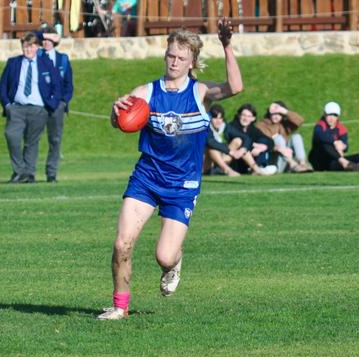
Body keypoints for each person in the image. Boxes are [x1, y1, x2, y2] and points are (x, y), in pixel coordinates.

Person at [98, 19, 243, 320]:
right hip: (147, 179)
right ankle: (120, 307)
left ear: (192, 62)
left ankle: (174, 264)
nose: (174, 62)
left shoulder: (200, 92)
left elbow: (235, 87)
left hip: (183, 186)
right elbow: (121, 123)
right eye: (170, 56)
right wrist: (115, 111)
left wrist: (227, 46)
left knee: (164, 255)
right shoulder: (147, 92)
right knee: (122, 243)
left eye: (181, 58)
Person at [0, 32, 62, 183]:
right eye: (25, 46)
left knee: (31, 142)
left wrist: (51, 103)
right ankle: (19, 170)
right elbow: (2, 86)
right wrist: (7, 105)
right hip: (17, 108)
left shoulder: (46, 63)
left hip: (39, 109)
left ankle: (29, 173)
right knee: (11, 135)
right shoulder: (13, 62)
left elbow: (56, 85)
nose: (28, 50)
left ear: (37, 47)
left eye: (32, 46)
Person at [37, 25, 74, 183]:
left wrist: (64, 101)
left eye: (49, 39)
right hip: (39, 105)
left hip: (57, 106)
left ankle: (51, 173)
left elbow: (68, 83)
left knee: (55, 140)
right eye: (43, 39)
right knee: (32, 140)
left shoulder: (63, 59)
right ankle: (27, 172)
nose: (46, 42)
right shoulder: (36, 56)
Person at [204, 104, 268, 177]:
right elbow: (210, 142)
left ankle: (256, 169)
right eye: (215, 118)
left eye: (220, 118)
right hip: (207, 163)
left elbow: (246, 138)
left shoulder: (226, 127)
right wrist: (230, 151)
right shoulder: (205, 128)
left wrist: (242, 150)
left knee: (238, 141)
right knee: (211, 148)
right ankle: (227, 170)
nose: (218, 121)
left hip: (224, 159)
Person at [255, 101, 311, 173]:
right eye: (274, 114)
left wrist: (284, 111)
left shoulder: (283, 124)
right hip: (272, 163)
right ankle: (292, 164)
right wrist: (280, 149)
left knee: (296, 137)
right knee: (278, 138)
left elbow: (300, 121)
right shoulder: (261, 125)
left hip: (285, 160)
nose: (276, 116)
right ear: (269, 114)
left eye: (279, 114)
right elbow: (265, 144)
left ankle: (303, 164)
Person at [308, 101, 359, 171]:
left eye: (334, 115)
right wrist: (335, 142)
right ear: (324, 115)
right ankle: (345, 163)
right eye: (329, 115)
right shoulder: (319, 126)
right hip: (319, 160)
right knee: (325, 143)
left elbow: (345, 147)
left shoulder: (341, 129)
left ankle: (356, 165)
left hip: (334, 159)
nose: (332, 118)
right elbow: (320, 136)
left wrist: (343, 146)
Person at [225, 104, 277, 175]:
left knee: (263, 141)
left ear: (253, 118)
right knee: (243, 146)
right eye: (243, 115)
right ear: (239, 115)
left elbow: (270, 141)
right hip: (234, 159)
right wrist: (253, 146)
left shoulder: (252, 129)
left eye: (249, 116)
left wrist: (264, 147)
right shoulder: (232, 126)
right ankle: (257, 169)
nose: (246, 118)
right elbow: (243, 140)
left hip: (247, 158)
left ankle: (260, 166)